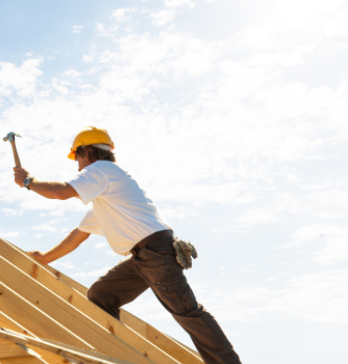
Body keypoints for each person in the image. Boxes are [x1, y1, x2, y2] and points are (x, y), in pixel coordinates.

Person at [12, 127, 241, 364]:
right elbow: (78, 235)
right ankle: (119, 354)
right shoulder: (106, 195)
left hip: (155, 253)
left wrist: (28, 181)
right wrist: (45, 259)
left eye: (78, 157)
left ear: (87, 152)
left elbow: (59, 192)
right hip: (146, 256)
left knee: (189, 314)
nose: (78, 166)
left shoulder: (100, 171)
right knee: (102, 295)